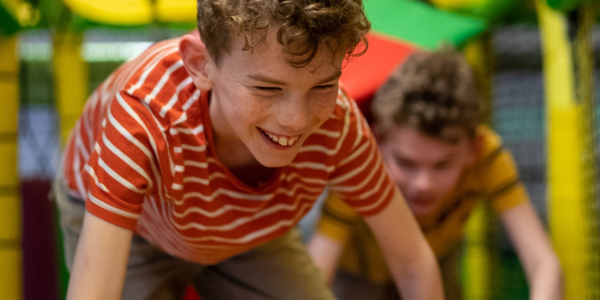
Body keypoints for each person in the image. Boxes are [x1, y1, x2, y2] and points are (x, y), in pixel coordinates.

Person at [52, 0, 446, 299]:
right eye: (267, 88)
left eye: (323, 86)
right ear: (200, 65)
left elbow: (413, 262)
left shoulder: (337, 124)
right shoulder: (145, 114)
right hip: (139, 227)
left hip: (249, 226)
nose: (296, 119)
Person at [307, 48, 563, 300]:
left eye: (442, 165)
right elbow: (321, 265)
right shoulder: (360, 163)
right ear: (379, 140)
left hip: (437, 261)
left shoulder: (488, 158)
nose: (423, 184)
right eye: (406, 163)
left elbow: (544, 263)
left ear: (474, 149)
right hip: (359, 275)